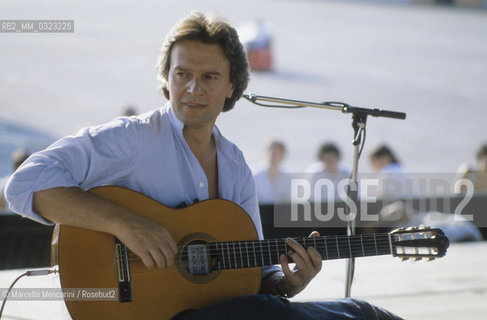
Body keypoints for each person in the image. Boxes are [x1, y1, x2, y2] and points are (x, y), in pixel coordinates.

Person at [5, 12, 402, 320]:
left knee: (263, 311)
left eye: (209, 76)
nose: (194, 88)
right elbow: (24, 184)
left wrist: (289, 282)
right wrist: (126, 225)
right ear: (166, 79)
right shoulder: (131, 138)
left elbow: (257, 280)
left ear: (232, 87)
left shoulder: (234, 166)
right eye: (183, 74)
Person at [253, 139, 292, 204]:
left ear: (282, 155)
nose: (272, 156)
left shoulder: (287, 177)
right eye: (271, 152)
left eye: (276, 153)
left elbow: (288, 201)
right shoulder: (254, 175)